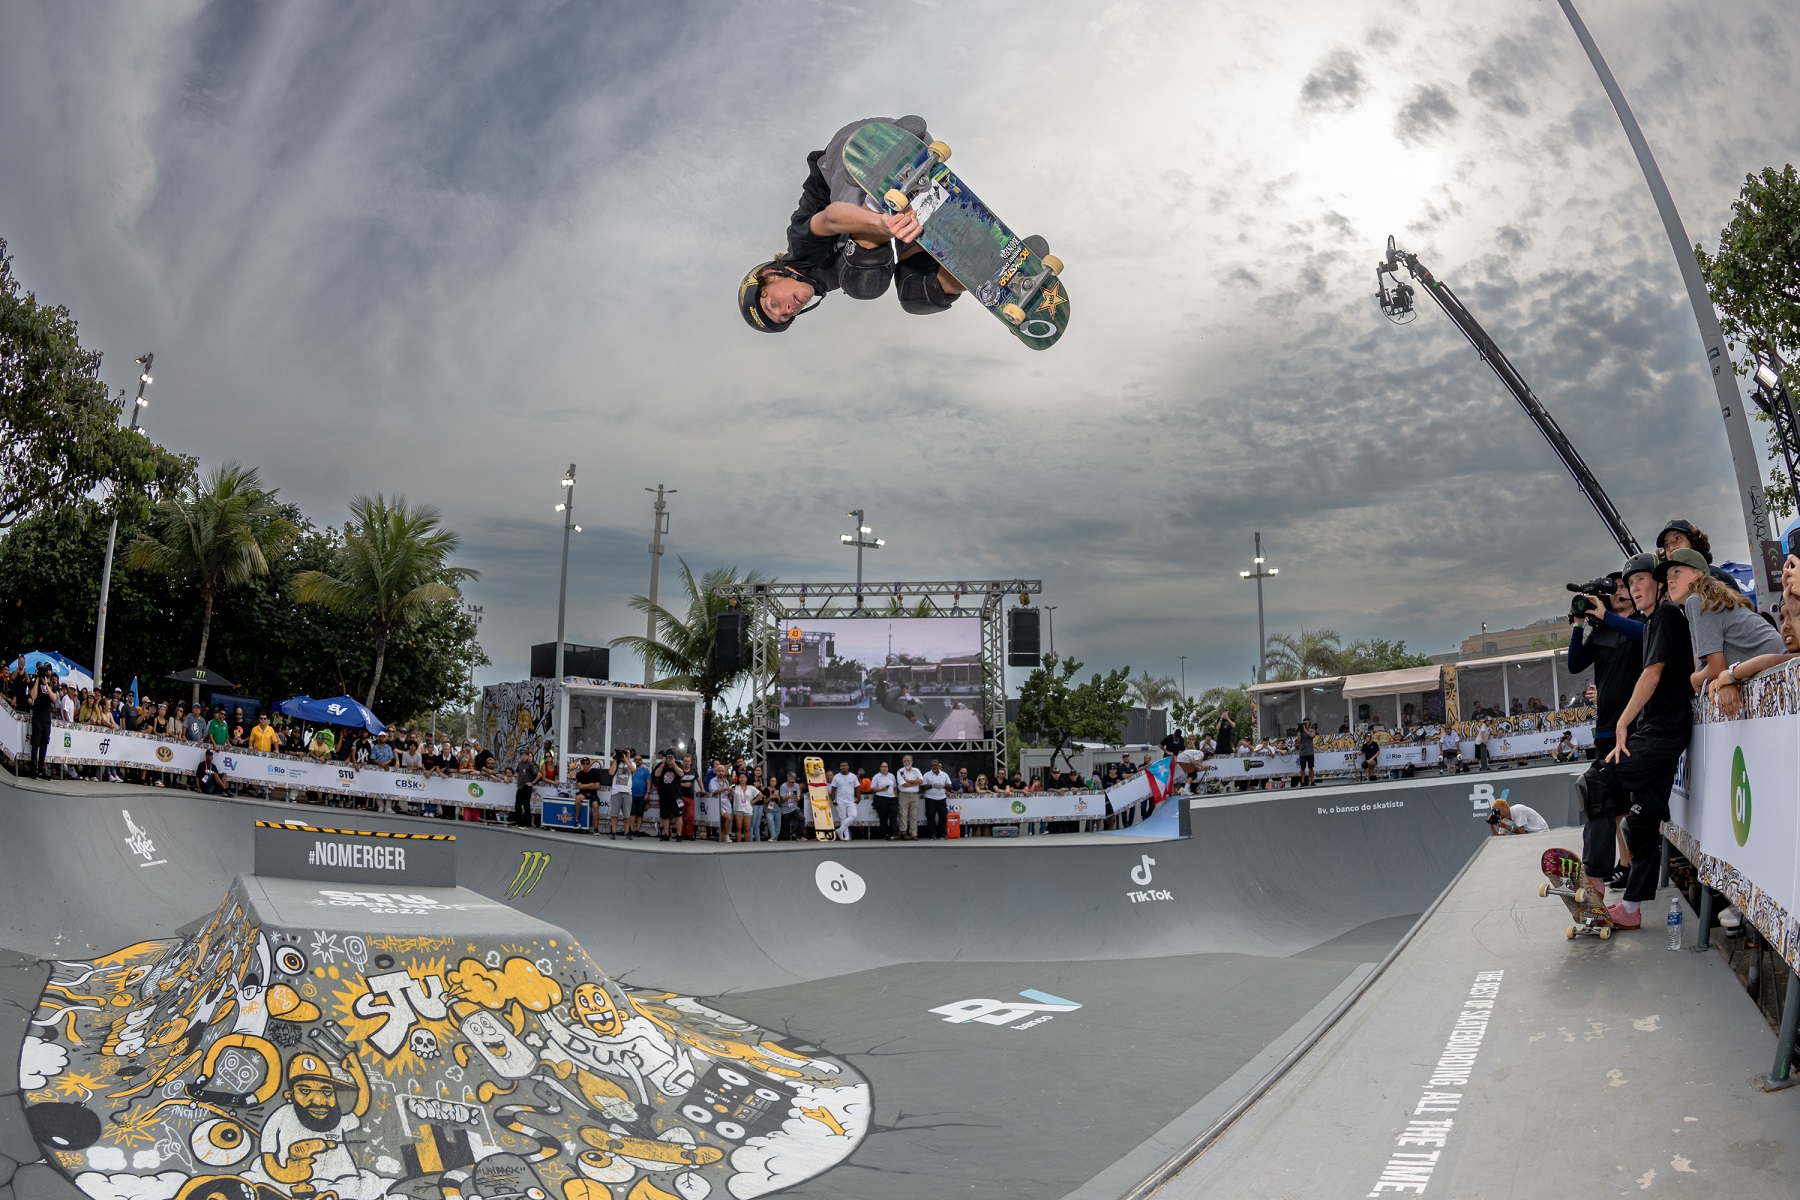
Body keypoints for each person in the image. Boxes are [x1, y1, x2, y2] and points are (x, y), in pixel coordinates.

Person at [739, 117, 967, 335]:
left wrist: (882, 223)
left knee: (862, 281)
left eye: (773, 304)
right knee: (918, 294)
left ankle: (888, 168)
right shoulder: (831, 279)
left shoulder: (801, 248)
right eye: (785, 317)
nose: (787, 310)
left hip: (856, 147)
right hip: (924, 154)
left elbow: (832, 217)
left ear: (771, 274)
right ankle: (987, 271)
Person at [1581, 552, 1696, 929]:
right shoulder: (1653, 622)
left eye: (1641, 581)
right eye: (1630, 584)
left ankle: (1594, 878)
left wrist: (1623, 723)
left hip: (1660, 731)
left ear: (1658, 584)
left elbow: (1652, 672)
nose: (1634, 588)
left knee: (1596, 782)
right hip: (1668, 732)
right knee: (1641, 822)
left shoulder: (1663, 616)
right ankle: (1630, 909)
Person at [1663, 546, 1785, 694]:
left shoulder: (1697, 601)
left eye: (1676, 571)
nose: (1669, 580)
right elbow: (1708, 674)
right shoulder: (1706, 600)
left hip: (1781, 670)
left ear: (1697, 574)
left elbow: (1715, 669)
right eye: (1668, 576)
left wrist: (1693, 679)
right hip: (1779, 667)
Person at [27, 663, 55, 777]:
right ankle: (33, 768)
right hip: (37, 717)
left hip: (47, 719)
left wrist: (47, 685)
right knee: (35, 743)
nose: (47, 672)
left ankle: (41, 768)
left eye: (49, 670)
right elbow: (33, 696)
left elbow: (53, 698)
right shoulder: (36, 682)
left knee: (44, 744)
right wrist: (38, 678)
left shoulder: (52, 685)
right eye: (46, 669)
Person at [652, 751, 684, 842]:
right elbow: (656, 775)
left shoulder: (678, 764)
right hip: (664, 795)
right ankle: (666, 834)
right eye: (667, 757)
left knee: (678, 815)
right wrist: (662, 764)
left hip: (676, 795)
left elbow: (681, 774)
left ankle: (679, 834)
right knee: (665, 816)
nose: (669, 759)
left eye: (671, 757)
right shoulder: (662, 765)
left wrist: (673, 764)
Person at [825, 761, 859, 842]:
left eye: (845, 765)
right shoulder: (836, 777)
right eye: (841, 766)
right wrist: (833, 799)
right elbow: (833, 789)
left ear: (848, 767)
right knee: (843, 818)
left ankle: (840, 830)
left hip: (851, 801)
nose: (843, 767)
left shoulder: (853, 776)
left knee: (853, 816)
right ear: (840, 767)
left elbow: (857, 787)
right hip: (840, 801)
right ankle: (846, 836)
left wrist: (859, 798)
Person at [920, 758, 952, 839]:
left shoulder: (944, 774)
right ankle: (933, 834)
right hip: (930, 799)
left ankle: (943, 834)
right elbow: (922, 787)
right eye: (933, 765)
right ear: (931, 766)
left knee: (943, 817)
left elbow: (950, 785)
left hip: (942, 799)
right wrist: (932, 785)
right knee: (930, 817)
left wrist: (943, 785)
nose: (934, 767)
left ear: (939, 766)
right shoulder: (926, 775)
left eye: (936, 765)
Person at [896, 754, 924, 840]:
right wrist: (914, 782)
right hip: (903, 795)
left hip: (915, 795)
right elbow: (903, 784)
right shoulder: (900, 771)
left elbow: (921, 781)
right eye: (905, 761)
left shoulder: (916, 770)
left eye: (908, 761)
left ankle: (913, 834)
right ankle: (903, 833)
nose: (906, 762)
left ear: (911, 762)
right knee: (903, 814)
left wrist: (910, 781)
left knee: (914, 815)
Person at [869, 760, 898, 839]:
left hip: (892, 798)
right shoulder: (876, 776)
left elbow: (895, 786)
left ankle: (893, 832)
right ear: (880, 768)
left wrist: (895, 795)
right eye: (883, 766)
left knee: (893, 816)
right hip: (881, 798)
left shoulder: (891, 776)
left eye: (886, 767)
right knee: (883, 817)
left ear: (888, 768)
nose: (884, 768)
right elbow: (872, 788)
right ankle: (885, 833)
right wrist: (881, 789)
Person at [511, 749, 540, 827]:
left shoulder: (530, 764)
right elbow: (517, 773)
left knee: (526, 805)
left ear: (527, 756)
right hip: (520, 786)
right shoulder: (520, 764)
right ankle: (518, 821)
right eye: (522, 755)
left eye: (525, 755)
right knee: (517, 805)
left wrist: (532, 782)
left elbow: (539, 774)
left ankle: (526, 823)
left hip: (527, 787)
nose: (524, 757)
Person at [629, 752, 651, 839]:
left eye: (639, 760)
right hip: (631, 795)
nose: (638, 761)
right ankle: (631, 829)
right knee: (632, 813)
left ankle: (637, 830)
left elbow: (648, 782)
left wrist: (647, 793)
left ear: (641, 761)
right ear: (633, 761)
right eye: (636, 760)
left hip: (642, 795)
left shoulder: (645, 771)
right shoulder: (630, 770)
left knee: (640, 814)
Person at [1294, 720, 1317, 787]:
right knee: (1302, 768)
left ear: (1309, 723)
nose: (1305, 724)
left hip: (1310, 751)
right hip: (1302, 752)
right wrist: (1299, 731)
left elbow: (1312, 736)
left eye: (1306, 723)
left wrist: (1305, 729)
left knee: (1311, 767)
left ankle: (1312, 781)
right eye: (1304, 723)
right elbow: (1299, 741)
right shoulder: (1300, 732)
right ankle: (1303, 782)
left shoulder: (1311, 730)